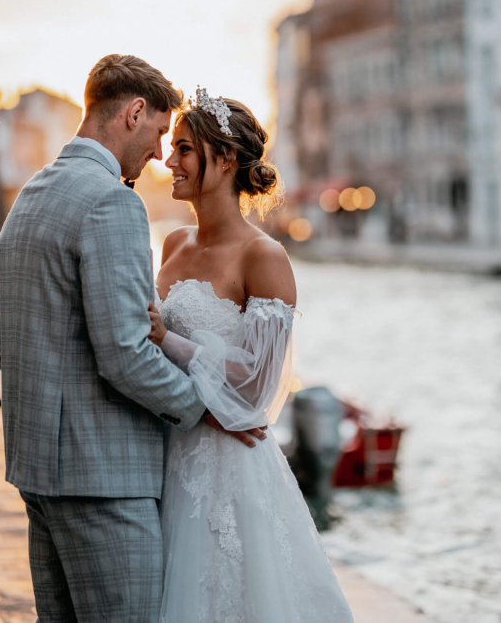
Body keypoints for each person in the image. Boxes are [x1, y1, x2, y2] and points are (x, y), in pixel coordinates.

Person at [0, 55, 265, 622]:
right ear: (134, 113)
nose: (159, 156)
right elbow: (125, 354)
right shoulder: (112, 201)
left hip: (37, 469)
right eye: (160, 133)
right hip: (103, 480)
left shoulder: (30, 197)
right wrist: (208, 408)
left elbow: (6, 333)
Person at [150, 87, 353, 622]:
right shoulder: (172, 244)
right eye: (172, 147)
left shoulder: (265, 257)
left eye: (184, 149)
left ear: (226, 159)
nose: (169, 161)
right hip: (167, 454)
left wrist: (166, 339)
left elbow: (258, 388)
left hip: (228, 465)